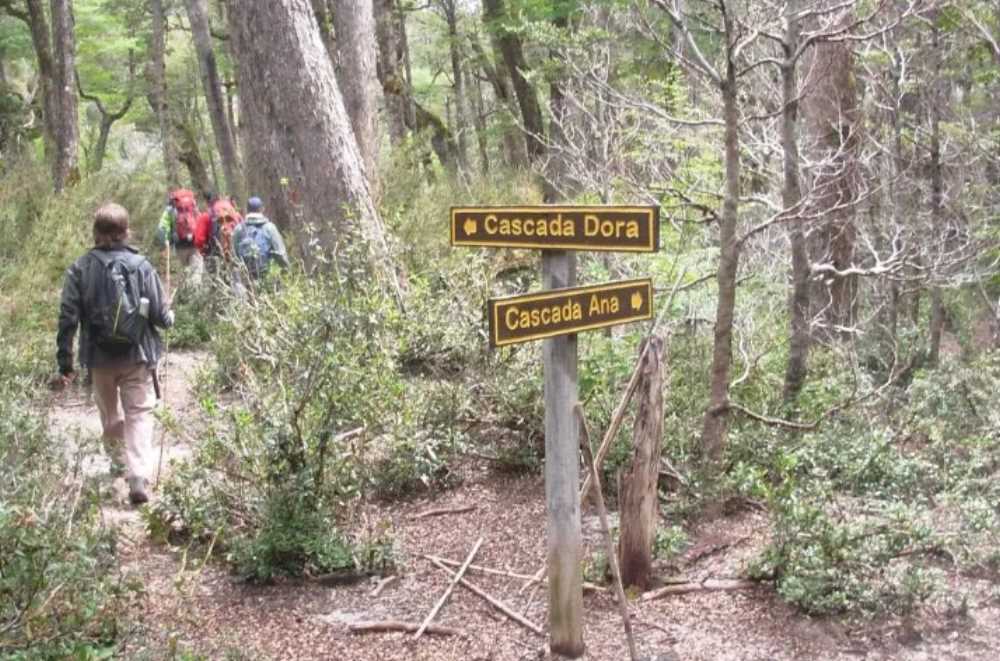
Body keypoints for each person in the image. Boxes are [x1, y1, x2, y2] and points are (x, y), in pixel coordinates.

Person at [56, 203, 175, 505]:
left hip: (98, 359)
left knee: (110, 416)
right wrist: (169, 316)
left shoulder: (79, 268)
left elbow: (68, 317)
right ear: (126, 232)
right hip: (138, 356)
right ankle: (138, 475)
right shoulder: (142, 265)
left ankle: (117, 466)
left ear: (95, 232)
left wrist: (65, 362)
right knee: (139, 414)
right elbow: (160, 316)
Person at [233, 196, 290, 281]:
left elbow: (235, 254)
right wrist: (287, 273)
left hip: (246, 280)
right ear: (262, 209)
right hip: (266, 278)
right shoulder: (269, 228)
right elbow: (281, 254)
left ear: (247, 210)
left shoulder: (238, 229)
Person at [156, 188, 204, 288]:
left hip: (180, 246)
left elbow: (161, 228)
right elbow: (200, 221)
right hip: (194, 244)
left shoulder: (170, 210)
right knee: (196, 272)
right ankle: (194, 292)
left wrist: (166, 240)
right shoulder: (193, 206)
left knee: (186, 270)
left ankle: (186, 291)